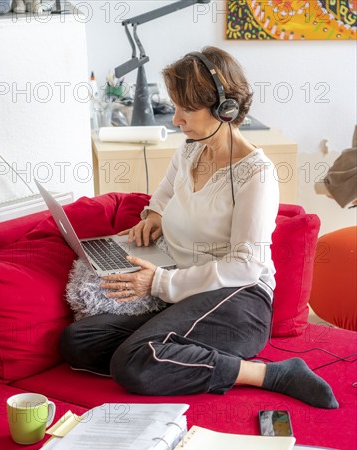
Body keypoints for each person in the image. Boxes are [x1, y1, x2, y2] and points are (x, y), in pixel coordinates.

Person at [60, 46, 338, 409]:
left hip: (239, 300)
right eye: (175, 105)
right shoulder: (190, 150)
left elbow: (246, 265)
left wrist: (159, 282)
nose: (175, 119)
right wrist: (154, 218)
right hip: (183, 289)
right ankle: (166, 356)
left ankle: (272, 373)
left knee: (133, 363)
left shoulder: (256, 173)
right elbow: (160, 198)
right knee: (78, 341)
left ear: (225, 108)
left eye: (186, 108)